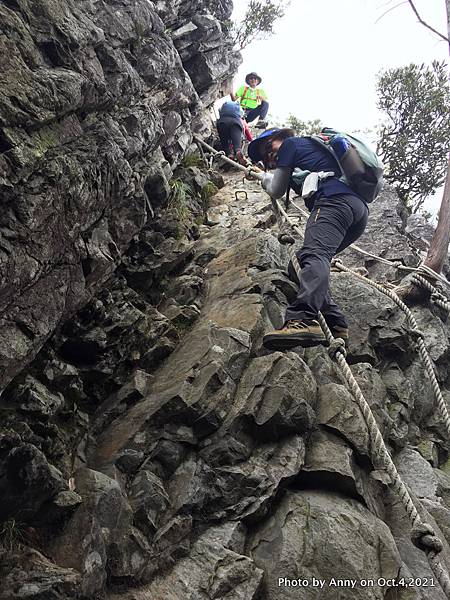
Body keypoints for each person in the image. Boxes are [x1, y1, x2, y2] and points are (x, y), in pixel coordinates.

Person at [247, 128, 369, 349]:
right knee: (301, 264)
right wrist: (264, 173)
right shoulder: (309, 153)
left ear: (280, 138)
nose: (269, 157)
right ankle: (335, 322)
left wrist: (264, 178)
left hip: (333, 201)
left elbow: (276, 189)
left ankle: (302, 319)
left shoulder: (290, 144)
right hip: (357, 212)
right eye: (265, 158)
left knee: (315, 255)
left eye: (268, 148)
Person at [216, 100, 252, 165]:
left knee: (224, 141)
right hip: (236, 123)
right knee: (237, 144)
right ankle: (238, 151)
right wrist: (251, 140)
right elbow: (247, 131)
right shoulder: (241, 119)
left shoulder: (223, 111)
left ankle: (229, 154)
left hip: (222, 122)